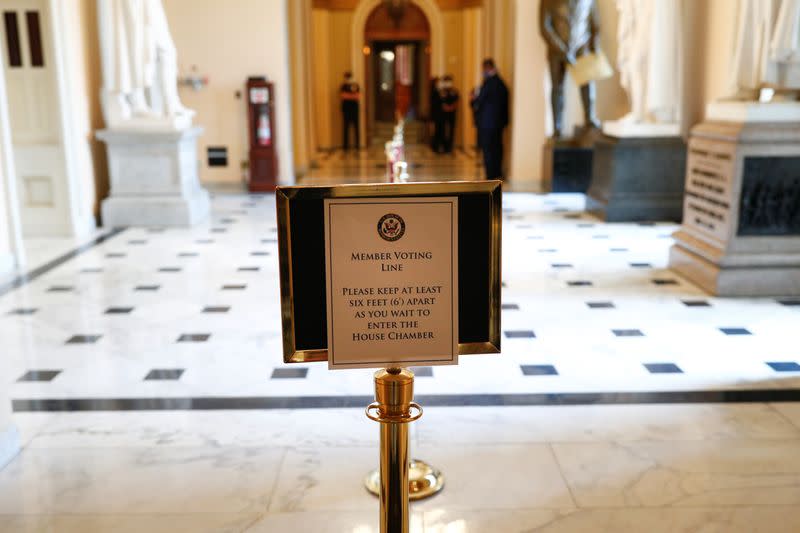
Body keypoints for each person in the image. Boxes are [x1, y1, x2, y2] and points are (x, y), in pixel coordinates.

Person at [539, 0, 601, 137]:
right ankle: (557, 127)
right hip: (557, 51)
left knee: (587, 84)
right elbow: (544, 27)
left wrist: (595, 47)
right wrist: (562, 50)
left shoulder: (588, 1)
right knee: (557, 89)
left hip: (581, 47)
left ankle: (590, 118)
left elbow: (595, 24)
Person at [471, 58, 509, 180]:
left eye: (484, 69)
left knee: (488, 149)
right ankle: (497, 173)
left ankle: (490, 175)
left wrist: (473, 99)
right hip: (499, 123)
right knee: (497, 148)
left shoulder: (488, 84)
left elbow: (479, 101)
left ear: (488, 68)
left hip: (487, 123)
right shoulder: (501, 83)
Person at [340, 72, 360, 150]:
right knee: (345, 128)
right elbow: (343, 96)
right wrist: (351, 96)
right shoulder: (343, 86)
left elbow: (357, 96)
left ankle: (357, 146)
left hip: (355, 110)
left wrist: (348, 96)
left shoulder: (355, 85)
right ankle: (345, 146)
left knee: (356, 128)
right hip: (346, 110)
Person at [440, 75, 460, 153]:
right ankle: (444, 146)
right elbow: (440, 102)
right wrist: (445, 107)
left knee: (451, 130)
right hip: (443, 114)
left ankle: (450, 146)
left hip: (452, 114)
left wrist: (451, 108)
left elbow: (456, 101)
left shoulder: (454, 91)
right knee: (443, 130)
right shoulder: (442, 91)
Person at [429, 76, 443, 152]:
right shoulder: (434, 91)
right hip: (436, 115)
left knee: (437, 131)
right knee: (437, 131)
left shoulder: (436, 91)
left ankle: (436, 146)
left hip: (437, 115)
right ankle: (435, 147)